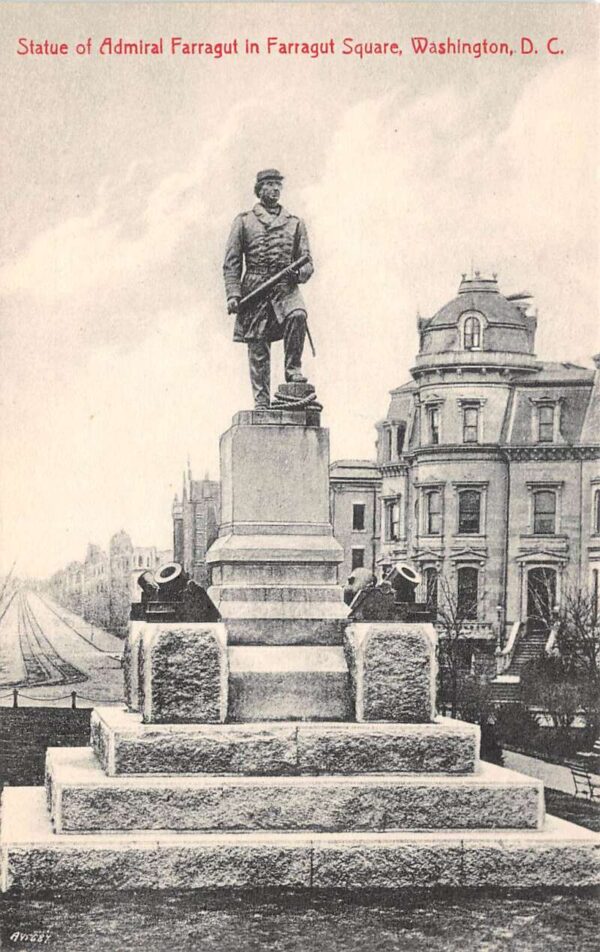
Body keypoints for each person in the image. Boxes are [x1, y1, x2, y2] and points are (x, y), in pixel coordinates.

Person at [223, 169, 314, 408]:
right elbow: (232, 262)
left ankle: (293, 369)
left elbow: (307, 261)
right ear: (259, 189)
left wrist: (300, 273)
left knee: (298, 316)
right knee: (258, 344)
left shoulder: (295, 223)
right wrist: (233, 294)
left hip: (286, 287)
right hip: (256, 287)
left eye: (277, 185)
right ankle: (261, 401)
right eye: (269, 185)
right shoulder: (243, 222)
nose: (274, 189)